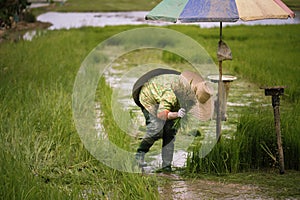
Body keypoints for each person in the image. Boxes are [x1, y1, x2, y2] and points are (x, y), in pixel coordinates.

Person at [132, 68, 214, 172]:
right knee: (156, 129)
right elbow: (161, 115)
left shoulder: (191, 96)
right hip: (149, 97)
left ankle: (166, 166)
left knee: (170, 132)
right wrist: (177, 114)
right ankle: (139, 155)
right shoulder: (170, 94)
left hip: (169, 101)